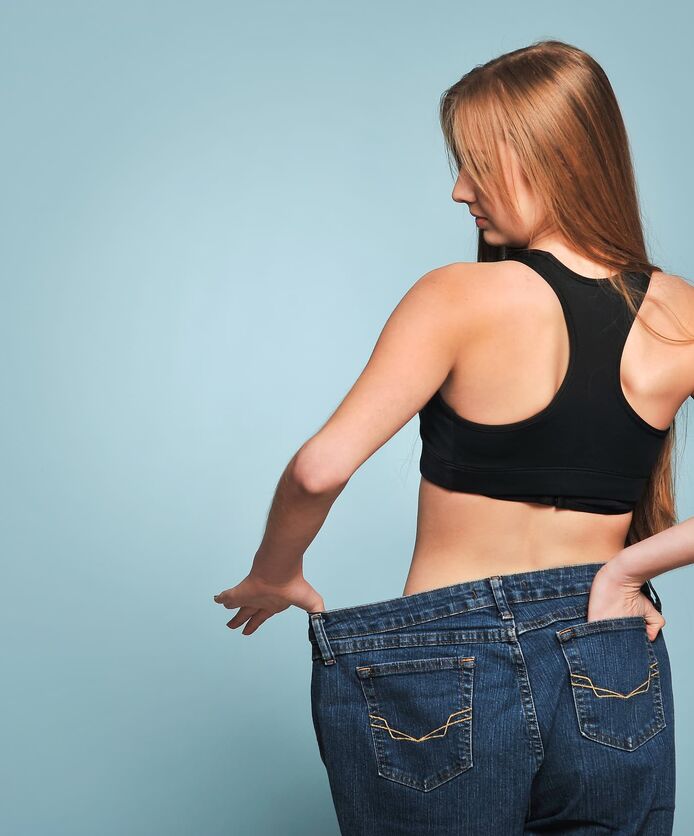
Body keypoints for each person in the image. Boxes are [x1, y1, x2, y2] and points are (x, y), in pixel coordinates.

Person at [214, 39, 694, 834]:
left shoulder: (459, 296)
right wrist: (628, 572)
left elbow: (317, 469)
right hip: (611, 648)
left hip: (447, 662)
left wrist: (275, 572)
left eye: (476, 161)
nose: (459, 189)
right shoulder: (679, 312)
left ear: (555, 155)